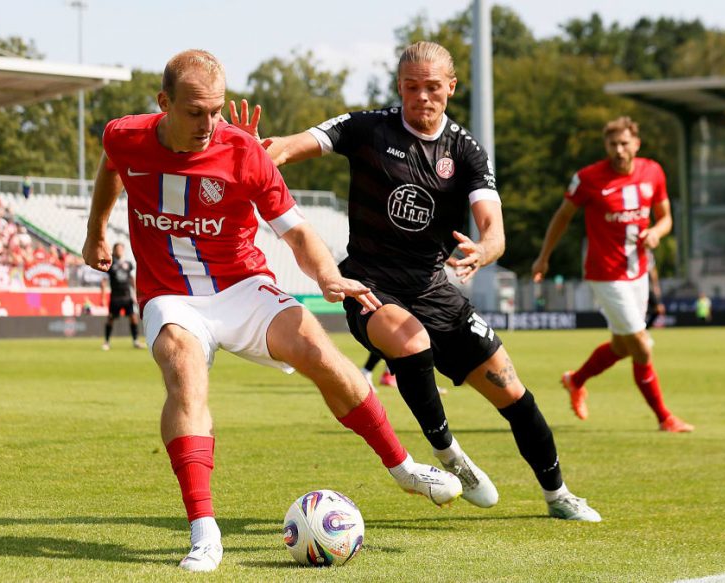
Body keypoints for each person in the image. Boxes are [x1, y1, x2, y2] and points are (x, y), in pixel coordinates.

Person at [82, 49, 461, 573]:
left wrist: (326, 276)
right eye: (195, 112)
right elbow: (111, 166)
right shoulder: (124, 135)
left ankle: (403, 467)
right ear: (163, 103)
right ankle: (204, 531)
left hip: (242, 285)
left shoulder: (242, 152)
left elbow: (299, 232)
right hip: (170, 294)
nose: (209, 124)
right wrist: (95, 231)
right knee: (183, 373)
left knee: (320, 354)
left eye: (216, 111)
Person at [239, 41, 600, 522]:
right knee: (407, 339)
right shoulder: (367, 128)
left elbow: (493, 229)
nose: (422, 97)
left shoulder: (466, 150)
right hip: (369, 283)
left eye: (433, 87)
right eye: (412, 87)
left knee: (515, 397)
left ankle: (559, 495)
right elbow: (291, 145)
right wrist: (257, 149)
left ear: (451, 87)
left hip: (435, 289)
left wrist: (484, 250)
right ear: (400, 87)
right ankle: (450, 456)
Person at [532, 116, 694, 433]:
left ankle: (575, 380)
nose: (619, 150)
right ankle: (665, 418)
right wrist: (543, 257)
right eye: (612, 144)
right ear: (606, 147)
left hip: (639, 271)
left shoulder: (653, 172)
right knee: (642, 346)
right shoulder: (588, 178)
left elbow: (665, 219)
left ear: (636, 144)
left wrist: (657, 234)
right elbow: (562, 217)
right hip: (605, 274)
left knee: (622, 346)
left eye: (624, 143)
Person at [100, 242, 145, 350]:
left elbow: (131, 279)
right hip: (115, 297)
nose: (119, 251)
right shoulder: (110, 264)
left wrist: (136, 294)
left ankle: (135, 341)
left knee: (133, 318)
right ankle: (106, 342)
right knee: (110, 318)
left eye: (121, 249)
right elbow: (104, 281)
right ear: (114, 250)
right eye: (117, 249)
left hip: (127, 296)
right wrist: (102, 297)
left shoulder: (128, 264)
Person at [646, 250, 666, 328]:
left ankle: (644, 330)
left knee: (659, 309)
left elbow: (653, 271)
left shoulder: (648, 253)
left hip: (648, 285)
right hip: (637, 283)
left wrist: (656, 285)